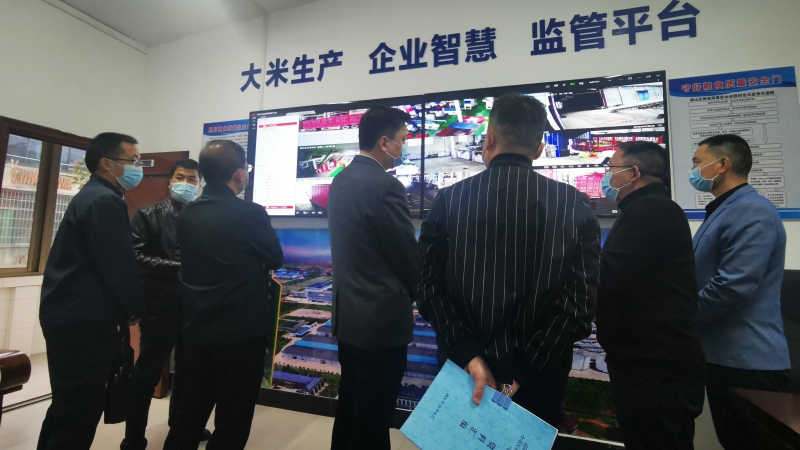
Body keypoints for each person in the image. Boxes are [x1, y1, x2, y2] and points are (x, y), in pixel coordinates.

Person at [417, 93, 600, 428]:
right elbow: (579, 306)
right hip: (538, 382)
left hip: (463, 374)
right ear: (539, 148)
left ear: (489, 138)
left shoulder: (450, 200)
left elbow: (427, 286)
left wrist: (470, 355)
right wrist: (521, 374)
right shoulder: (575, 205)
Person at [163, 140, 283, 450]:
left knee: (188, 416)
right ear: (240, 174)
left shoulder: (188, 214)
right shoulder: (251, 213)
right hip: (241, 335)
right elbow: (275, 258)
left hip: (196, 331)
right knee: (232, 420)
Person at [37, 132, 145, 449]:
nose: (138, 167)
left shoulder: (93, 195)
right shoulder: (104, 201)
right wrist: (134, 310)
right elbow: (118, 266)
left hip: (68, 316)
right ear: (107, 163)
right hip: (84, 321)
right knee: (79, 414)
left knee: (65, 408)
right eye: (132, 160)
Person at [596, 141, 705, 449]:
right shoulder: (644, 209)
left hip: (656, 370)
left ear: (633, 173)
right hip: (646, 364)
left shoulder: (652, 211)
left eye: (612, 169)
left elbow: (609, 273)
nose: (607, 176)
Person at [691, 134, 791, 450]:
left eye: (697, 162)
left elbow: (733, 286)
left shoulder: (750, 210)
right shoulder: (726, 208)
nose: (693, 170)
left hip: (748, 362)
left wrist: (680, 319)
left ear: (722, 164)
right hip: (723, 355)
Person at [327, 106, 419, 450]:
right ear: (384, 142)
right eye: (402, 140)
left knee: (351, 406)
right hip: (380, 324)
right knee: (374, 419)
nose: (403, 147)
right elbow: (406, 256)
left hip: (349, 318)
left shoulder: (340, 180)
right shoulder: (386, 186)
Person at [121, 159, 210, 450]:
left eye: (192, 179)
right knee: (146, 373)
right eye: (180, 177)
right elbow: (135, 256)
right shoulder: (147, 214)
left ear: (200, 185)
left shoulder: (202, 217)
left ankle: (181, 427)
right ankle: (133, 438)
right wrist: (180, 268)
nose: (186, 183)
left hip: (193, 307)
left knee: (186, 372)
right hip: (159, 305)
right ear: (170, 182)